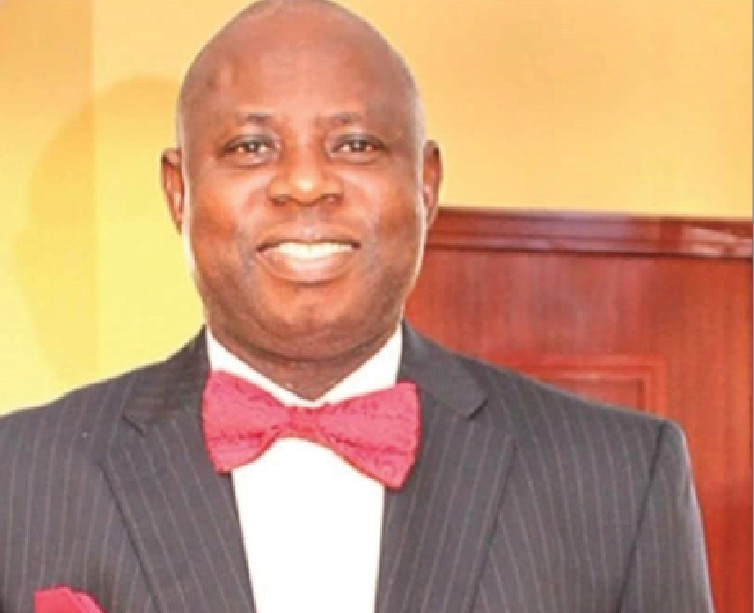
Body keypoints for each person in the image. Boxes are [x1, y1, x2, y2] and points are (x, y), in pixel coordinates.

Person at [0, 1, 714, 612]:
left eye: (356, 143)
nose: (306, 184)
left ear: (426, 186)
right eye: (251, 146)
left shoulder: (621, 480)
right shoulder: (20, 476)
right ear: (179, 191)